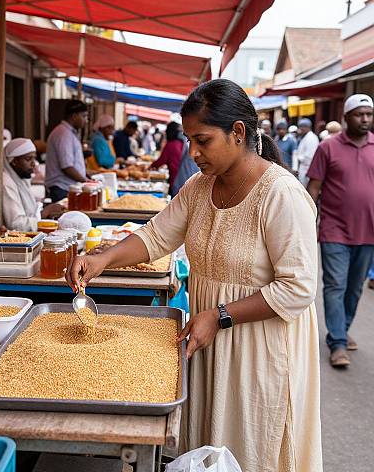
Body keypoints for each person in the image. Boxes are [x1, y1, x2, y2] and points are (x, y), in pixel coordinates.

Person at [68, 79, 322, 472]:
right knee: (211, 446)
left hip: (260, 350)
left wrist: (221, 316)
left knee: (251, 447)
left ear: (238, 132)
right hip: (211, 340)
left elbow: (298, 288)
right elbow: (156, 235)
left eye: (202, 140)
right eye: (189, 140)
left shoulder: (280, 194)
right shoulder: (199, 187)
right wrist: (104, 257)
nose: (192, 152)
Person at [307, 93, 374, 368]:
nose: (365, 119)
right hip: (334, 230)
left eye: (369, 114)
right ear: (346, 117)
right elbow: (313, 188)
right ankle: (337, 342)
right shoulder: (328, 148)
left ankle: (342, 329)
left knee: (355, 288)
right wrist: (306, 223)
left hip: (368, 232)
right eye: (360, 114)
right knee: (335, 286)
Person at [0, 138, 63, 231]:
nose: (33, 164)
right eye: (28, 159)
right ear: (14, 161)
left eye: (34, 158)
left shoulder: (19, 177)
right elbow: (15, 223)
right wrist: (44, 213)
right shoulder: (4, 182)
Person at [45, 100, 88, 203]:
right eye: (84, 116)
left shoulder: (69, 133)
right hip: (61, 188)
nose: (86, 120)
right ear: (74, 116)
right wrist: (85, 181)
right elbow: (67, 166)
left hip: (66, 187)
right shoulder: (63, 134)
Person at [149, 122, 184, 196]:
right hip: (183, 177)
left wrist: (151, 166)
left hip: (175, 178)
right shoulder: (181, 143)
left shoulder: (171, 144)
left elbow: (162, 160)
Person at [293, 117, 319, 186]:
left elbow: (309, 157)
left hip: (307, 169)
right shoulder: (305, 137)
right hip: (303, 168)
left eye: (302, 127)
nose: (300, 129)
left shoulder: (311, 138)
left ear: (308, 127)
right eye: (300, 126)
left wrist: (298, 157)